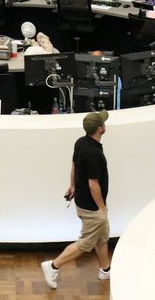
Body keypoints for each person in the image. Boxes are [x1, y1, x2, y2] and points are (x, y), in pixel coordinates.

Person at [41, 110, 111, 289]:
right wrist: (101, 208)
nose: (105, 124)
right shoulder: (93, 153)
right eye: (104, 123)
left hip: (85, 200)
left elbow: (74, 166)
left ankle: (105, 270)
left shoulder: (81, 142)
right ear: (100, 129)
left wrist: (72, 186)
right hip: (92, 206)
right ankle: (53, 266)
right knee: (86, 243)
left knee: (102, 237)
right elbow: (93, 184)